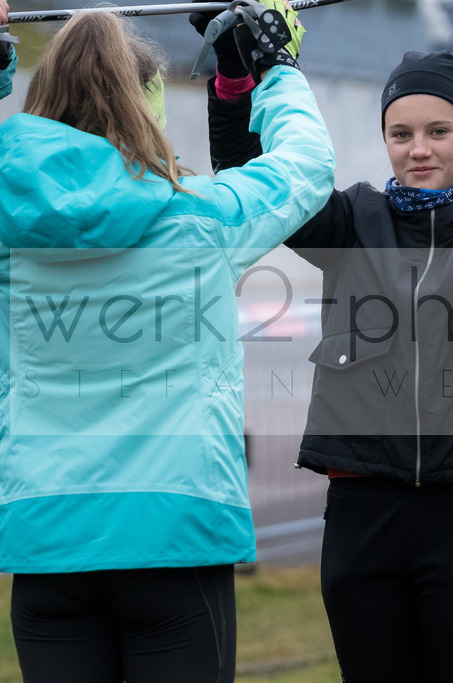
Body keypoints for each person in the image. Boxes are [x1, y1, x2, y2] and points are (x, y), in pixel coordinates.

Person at [200, 0, 453, 678]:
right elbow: (253, 180)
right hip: (363, 517)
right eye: (400, 133)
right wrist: (234, 75)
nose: (418, 148)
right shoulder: (352, 221)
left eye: (437, 130)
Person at [0, 6, 334, 682]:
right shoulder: (203, 215)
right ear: (141, 106)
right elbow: (307, 165)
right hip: (174, 531)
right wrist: (276, 63)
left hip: (45, 534)